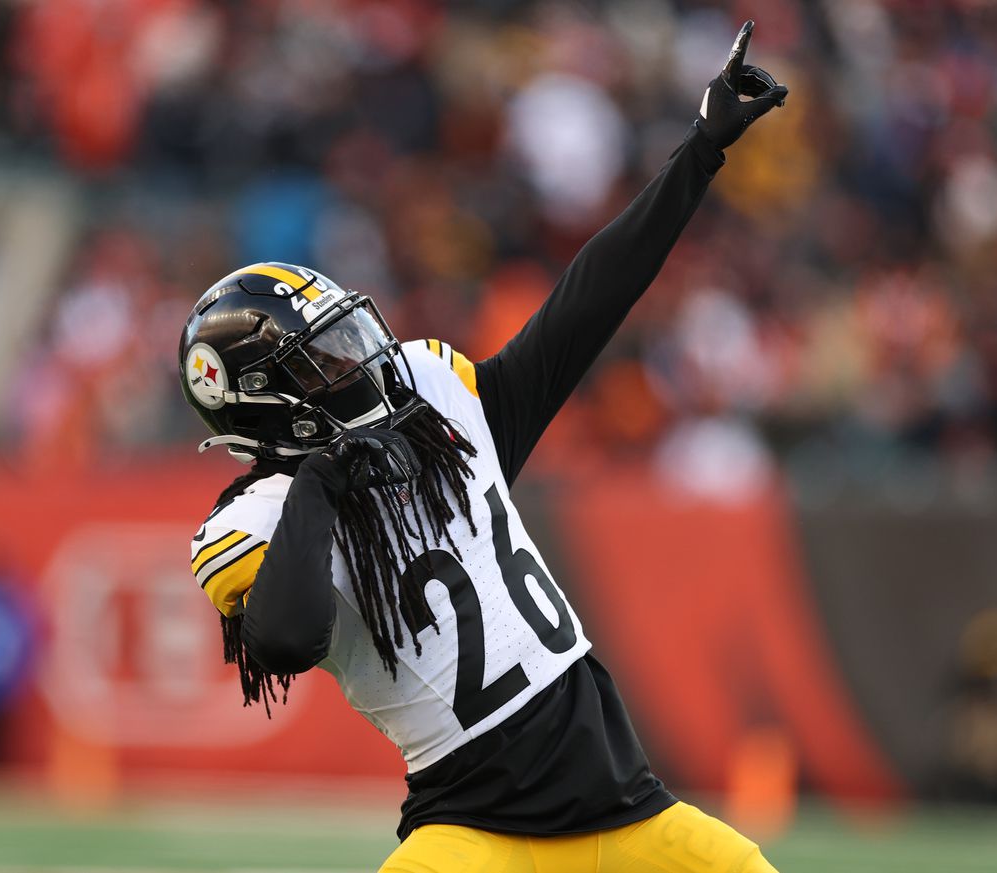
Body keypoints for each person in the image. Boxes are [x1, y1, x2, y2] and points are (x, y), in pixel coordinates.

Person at [179, 21, 788, 873]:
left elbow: (581, 310)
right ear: (265, 404)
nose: (355, 364)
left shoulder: (434, 409)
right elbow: (286, 641)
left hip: (626, 813)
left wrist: (700, 152)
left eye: (341, 341)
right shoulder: (264, 515)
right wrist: (319, 488)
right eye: (318, 361)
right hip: (470, 835)